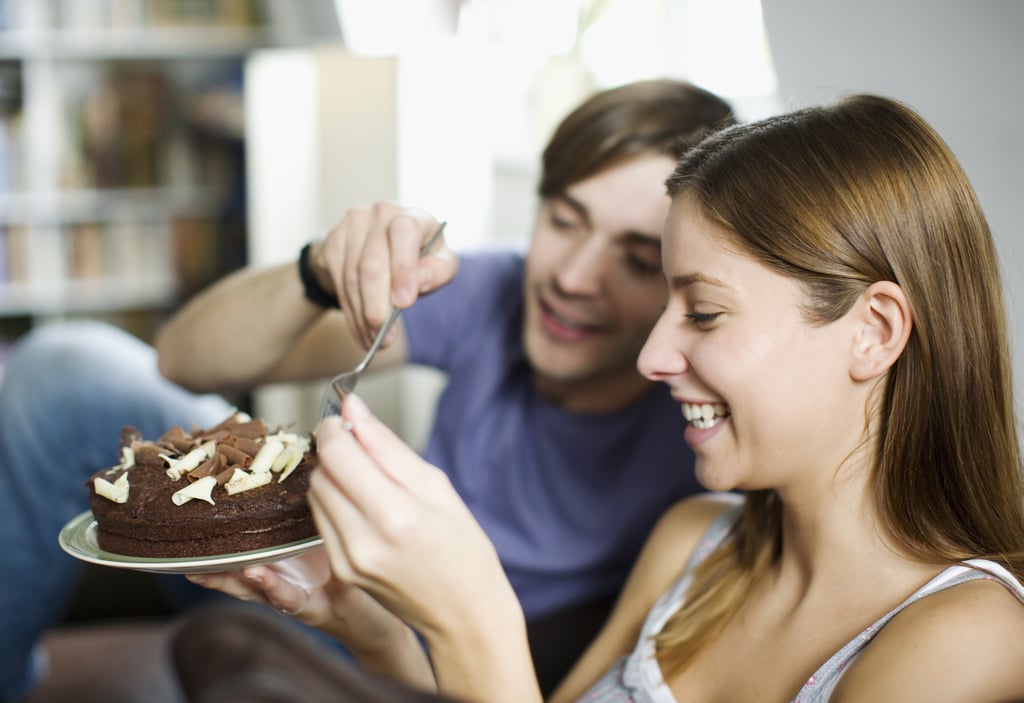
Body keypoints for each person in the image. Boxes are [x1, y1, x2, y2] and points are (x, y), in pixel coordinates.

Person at [183, 93, 1024, 702]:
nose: (654, 354)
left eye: (701, 311)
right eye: (666, 306)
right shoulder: (696, 545)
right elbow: (185, 352)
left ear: (873, 331)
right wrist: (365, 624)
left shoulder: (967, 641)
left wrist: (478, 616)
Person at [0, 79, 735, 701]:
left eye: (639, 260)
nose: (573, 278)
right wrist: (319, 270)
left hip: (417, 654)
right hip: (320, 564)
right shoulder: (499, 290)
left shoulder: (710, 425)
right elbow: (185, 359)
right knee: (69, 371)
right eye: (564, 220)